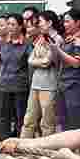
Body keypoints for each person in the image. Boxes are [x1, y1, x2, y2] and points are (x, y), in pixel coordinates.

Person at [54, 12, 80, 145]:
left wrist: (57, 50)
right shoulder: (68, 38)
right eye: (64, 21)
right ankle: (67, 150)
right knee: (64, 120)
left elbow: (76, 63)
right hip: (64, 83)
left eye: (68, 21)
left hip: (75, 84)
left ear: (78, 22)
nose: (64, 24)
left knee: (76, 122)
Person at [22, 14, 61, 150]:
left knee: (47, 122)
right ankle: (22, 150)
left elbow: (47, 62)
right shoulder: (41, 38)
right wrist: (40, 61)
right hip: (35, 83)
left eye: (40, 22)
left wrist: (38, 61)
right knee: (29, 119)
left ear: (50, 23)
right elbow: (30, 60)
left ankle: (46, 152)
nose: (38, 25)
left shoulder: (57, 39)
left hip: (49, 85)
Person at [0, 16, 30, 143]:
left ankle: (19, 143)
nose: (9, 27)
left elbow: (29, 62)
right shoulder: (2, 42)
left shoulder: (26, 43)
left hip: (20, 84)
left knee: (20, 116)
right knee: (3, 116)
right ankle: (4, 142)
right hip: (4, 83)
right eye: (8, 24)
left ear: (20, 26)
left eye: (13, 24)